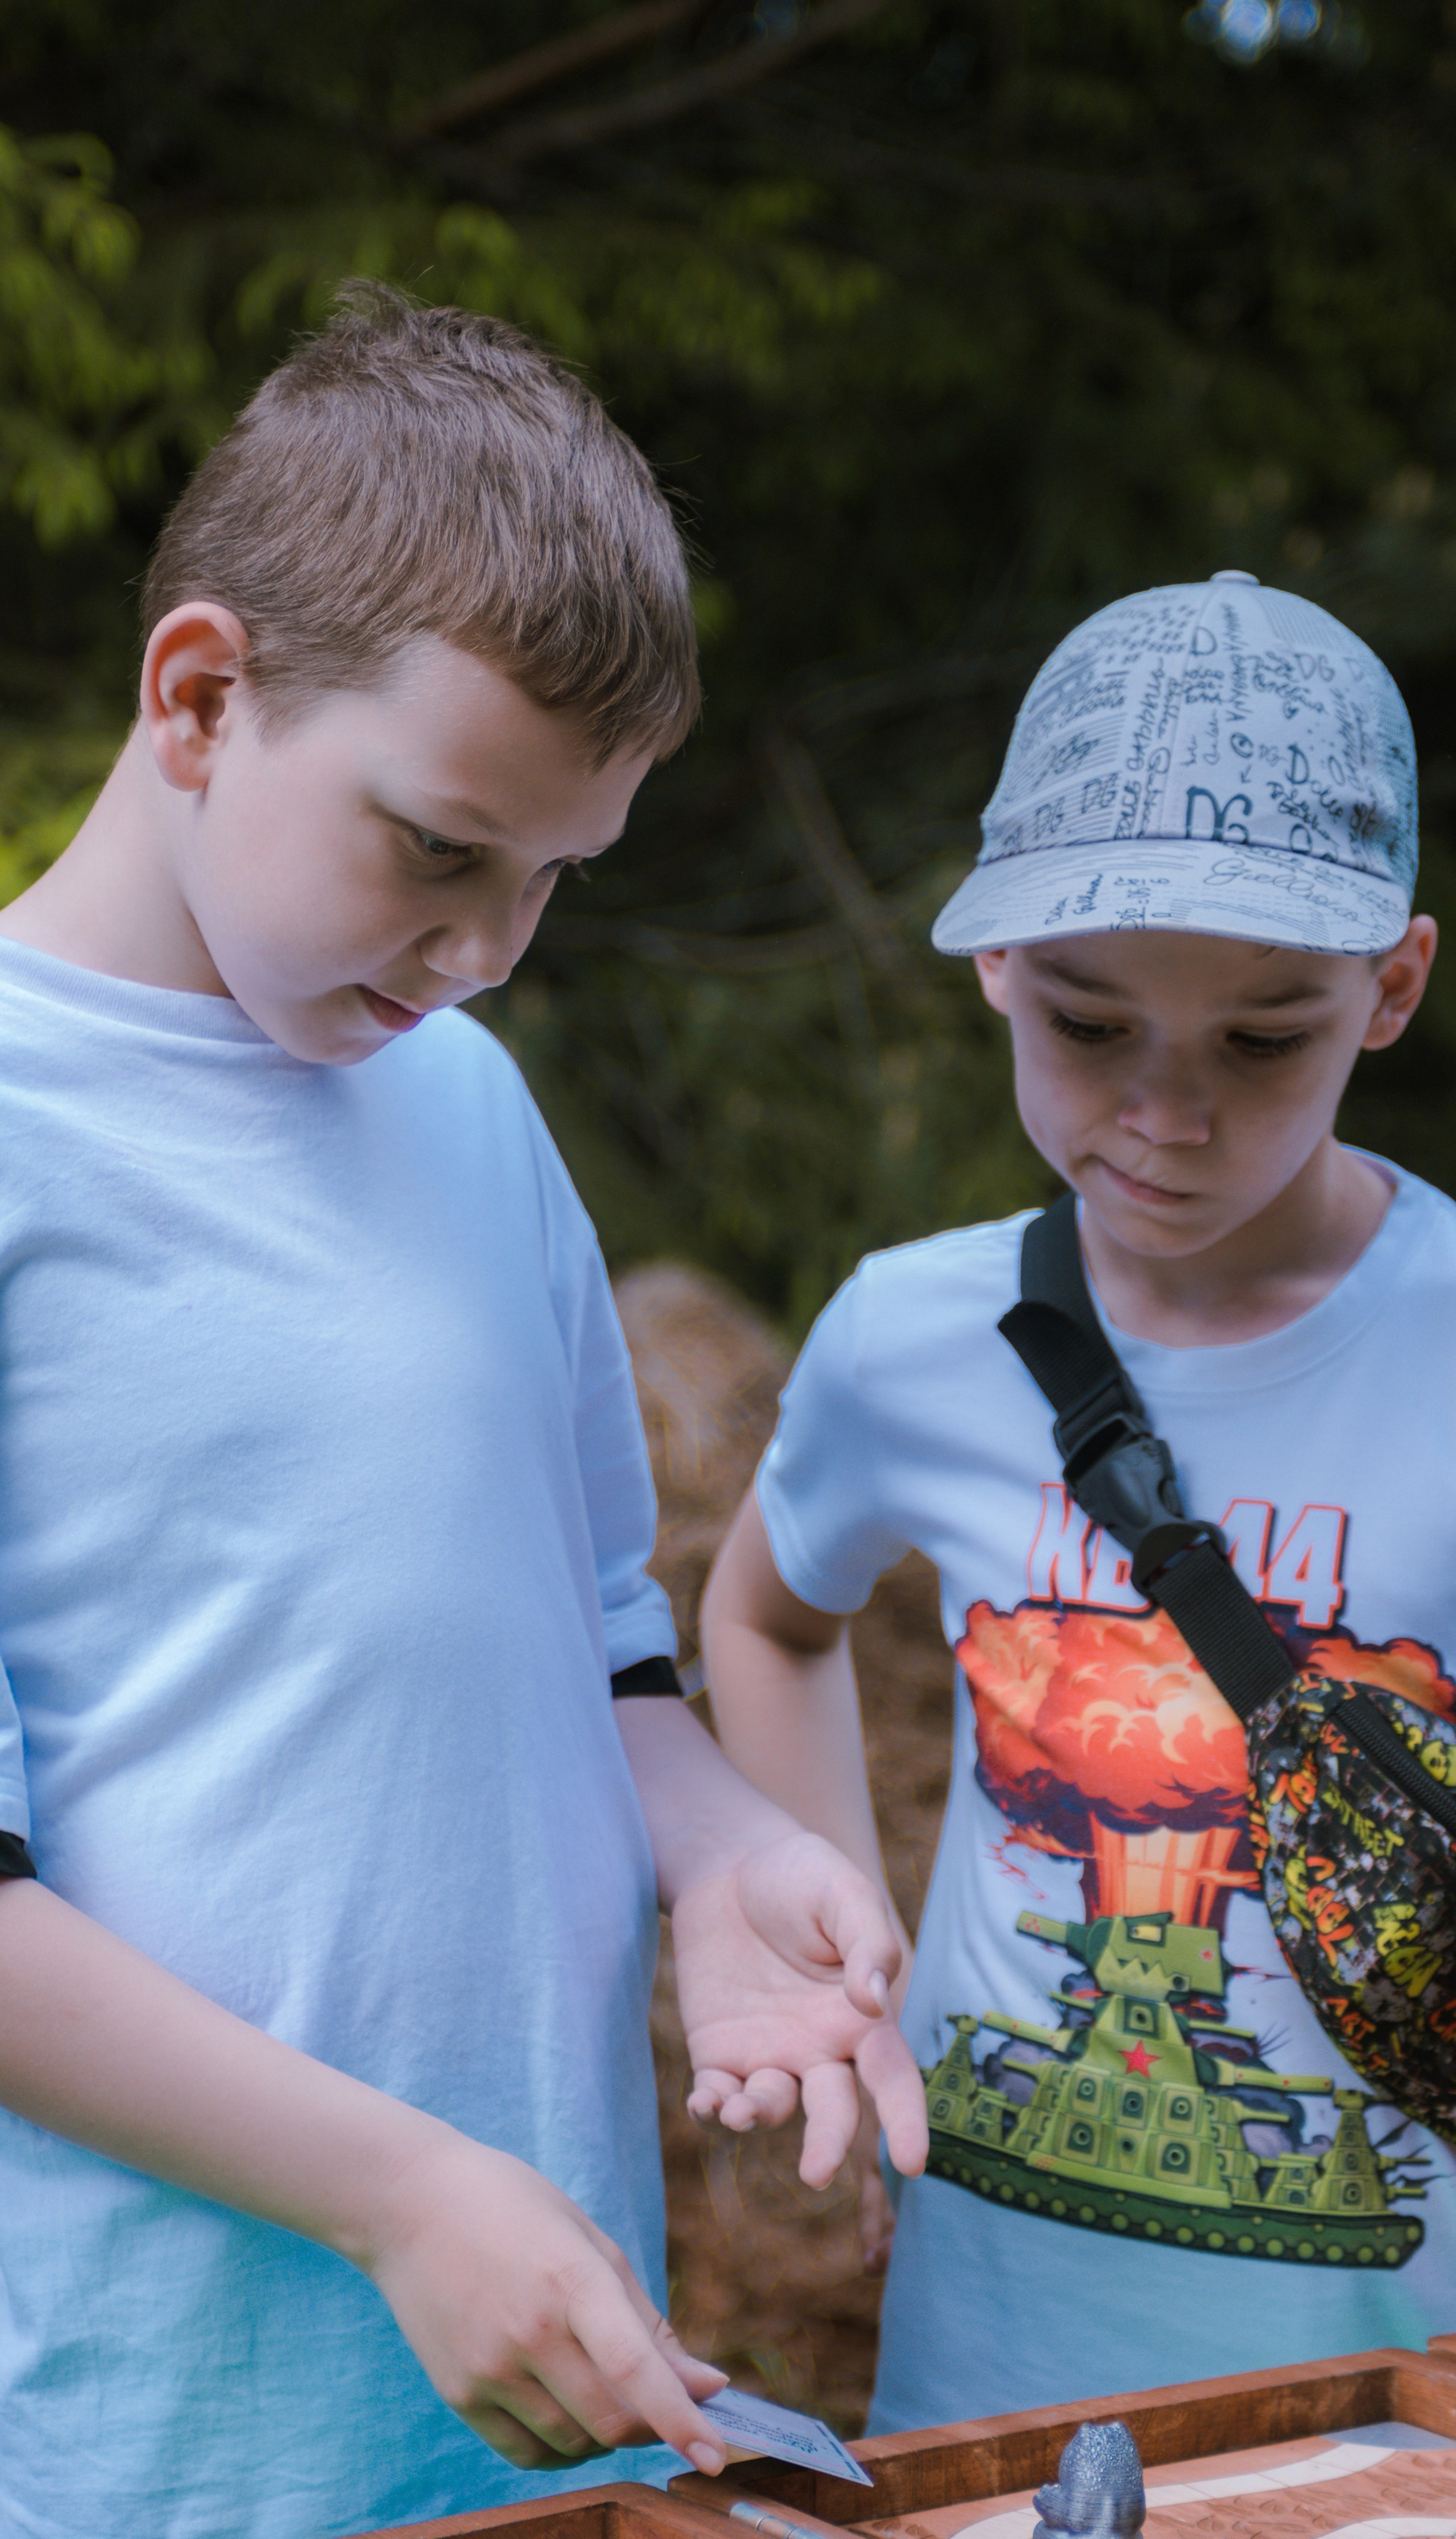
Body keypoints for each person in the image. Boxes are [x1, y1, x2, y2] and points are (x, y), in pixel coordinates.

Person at [0, 287, 926, 2539]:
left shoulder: (471, 1110)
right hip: (114, 2460)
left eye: (554, 884)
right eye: (437, 849)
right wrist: (403, 2196)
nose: (491, 951)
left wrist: (728, 1857)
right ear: (200, 695)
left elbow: (602, 1652)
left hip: (507, 2454)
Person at [702, 571, 1456, 2430]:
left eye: (1262, 1037)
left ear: (1396, 989)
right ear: (994, 973)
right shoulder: (910, 1337)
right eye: (1092, 1027)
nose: (1167, 1114)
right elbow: (764, 1613)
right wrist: (837, 1969)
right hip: (992, 2352)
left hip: (1398, 2388)